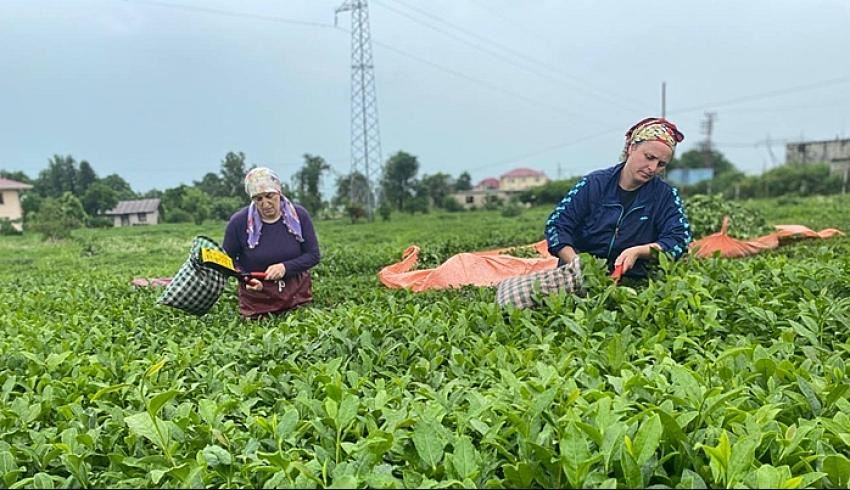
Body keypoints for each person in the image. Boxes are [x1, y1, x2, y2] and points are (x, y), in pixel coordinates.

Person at [545, 117, 692, 279]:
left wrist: (640, 251)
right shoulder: (594, 184)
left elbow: (680, 239)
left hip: (633, 279)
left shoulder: (665, 196)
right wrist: (577, 264)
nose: (652, 168)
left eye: (661, 164)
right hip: (576, 277)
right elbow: (557, 226)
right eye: (649, 157)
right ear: (632, 147)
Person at [223, 167, 321, 318]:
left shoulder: (298, 216)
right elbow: (226, 260)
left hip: (296, 295)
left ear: (279, 193)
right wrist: (246, 278)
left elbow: (313, 255)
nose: (265, 203)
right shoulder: (239, 223)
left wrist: (285, 268)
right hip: (257, 297)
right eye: (258, 199)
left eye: (269, 196)